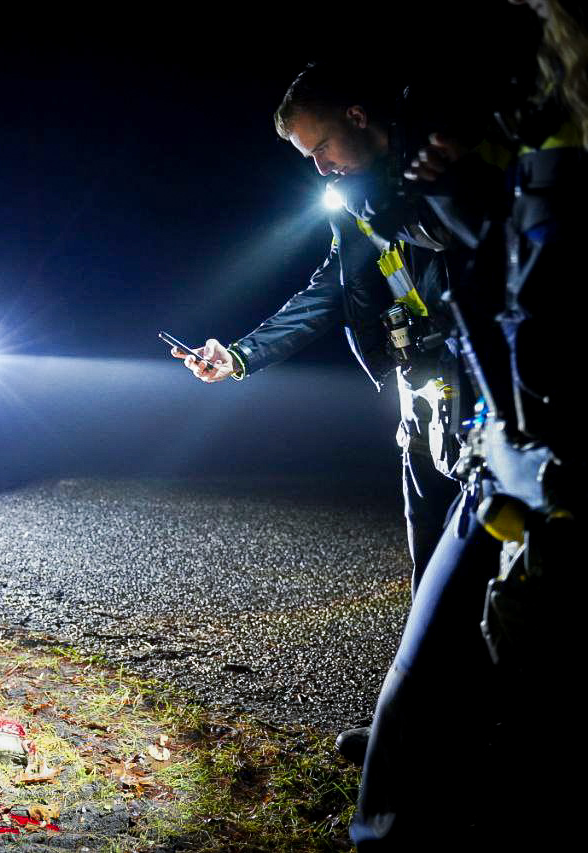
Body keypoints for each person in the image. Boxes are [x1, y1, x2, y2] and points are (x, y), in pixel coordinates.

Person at [171, 62, 483, 761]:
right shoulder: (357, 203)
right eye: (307, 160)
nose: (321, 170)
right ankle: (416, 733)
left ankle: (466, 736)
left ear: (358, 117)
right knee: (428, 573)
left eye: (322, 151)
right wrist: (240, 354)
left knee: (491, 577)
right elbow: (328, 294)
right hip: (423, 411)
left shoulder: (446, 166)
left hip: (486, 408)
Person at [351, 2, 585, 846]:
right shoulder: (517, 146)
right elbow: (502, 293)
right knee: (429, 668)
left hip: (547, 465)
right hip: (508, 455)